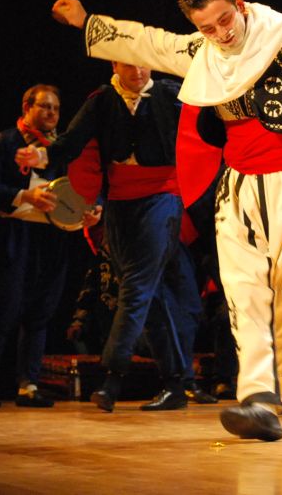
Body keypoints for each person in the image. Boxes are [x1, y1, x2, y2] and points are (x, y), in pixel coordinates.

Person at [50, 0, 282, 441]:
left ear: (240, 4)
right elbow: (148, 41)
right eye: (206, 27)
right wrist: (86, 22)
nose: (220, 33)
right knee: (242, 291)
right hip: (238, 186)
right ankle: (257, 398)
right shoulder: (202, 53)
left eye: (225, 19)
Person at [16, 62, 203, 412]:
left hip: (162, 196)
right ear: (115, 64)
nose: (138, 71)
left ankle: (111, 380)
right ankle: (176, 383)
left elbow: (205, 129)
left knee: (135, 287)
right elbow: (73, 141)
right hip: (119, 201)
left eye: (143, 62)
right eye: (129, 63)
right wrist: (41, 154)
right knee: (150, 296)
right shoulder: (103, 99)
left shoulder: (171, 94)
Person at [0, 84, 95, 409]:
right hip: (13, 235)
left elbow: (82, 188)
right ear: (27, 107)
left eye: (56, 108)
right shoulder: (3, 142)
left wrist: (89, 212)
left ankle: (29, 384)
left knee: (41, 313)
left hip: (51, 239)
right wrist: (25, 196)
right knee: (2, 310)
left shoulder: (62, 150)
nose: (52, 113)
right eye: (45, 106)